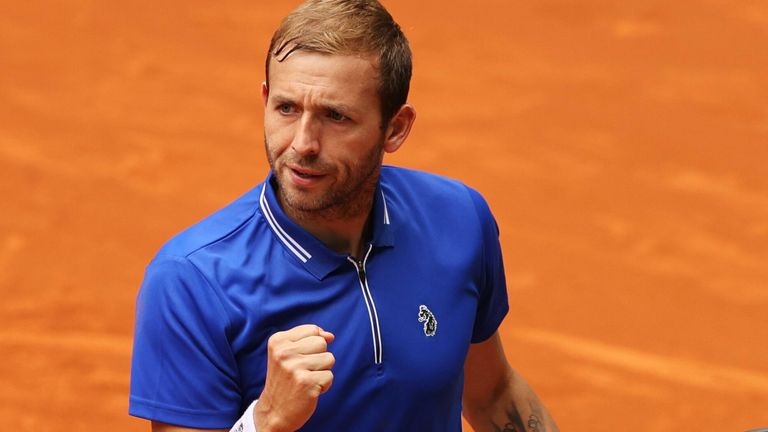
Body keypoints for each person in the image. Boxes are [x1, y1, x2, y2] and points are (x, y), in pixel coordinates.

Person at [129, 0, 559, 431]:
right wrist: (266, 420)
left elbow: (493, 395)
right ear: (264, 99)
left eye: (335, 116)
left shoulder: (459, 220)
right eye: (286, 108)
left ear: (395, 128)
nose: (302, 144)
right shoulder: (190, 281)